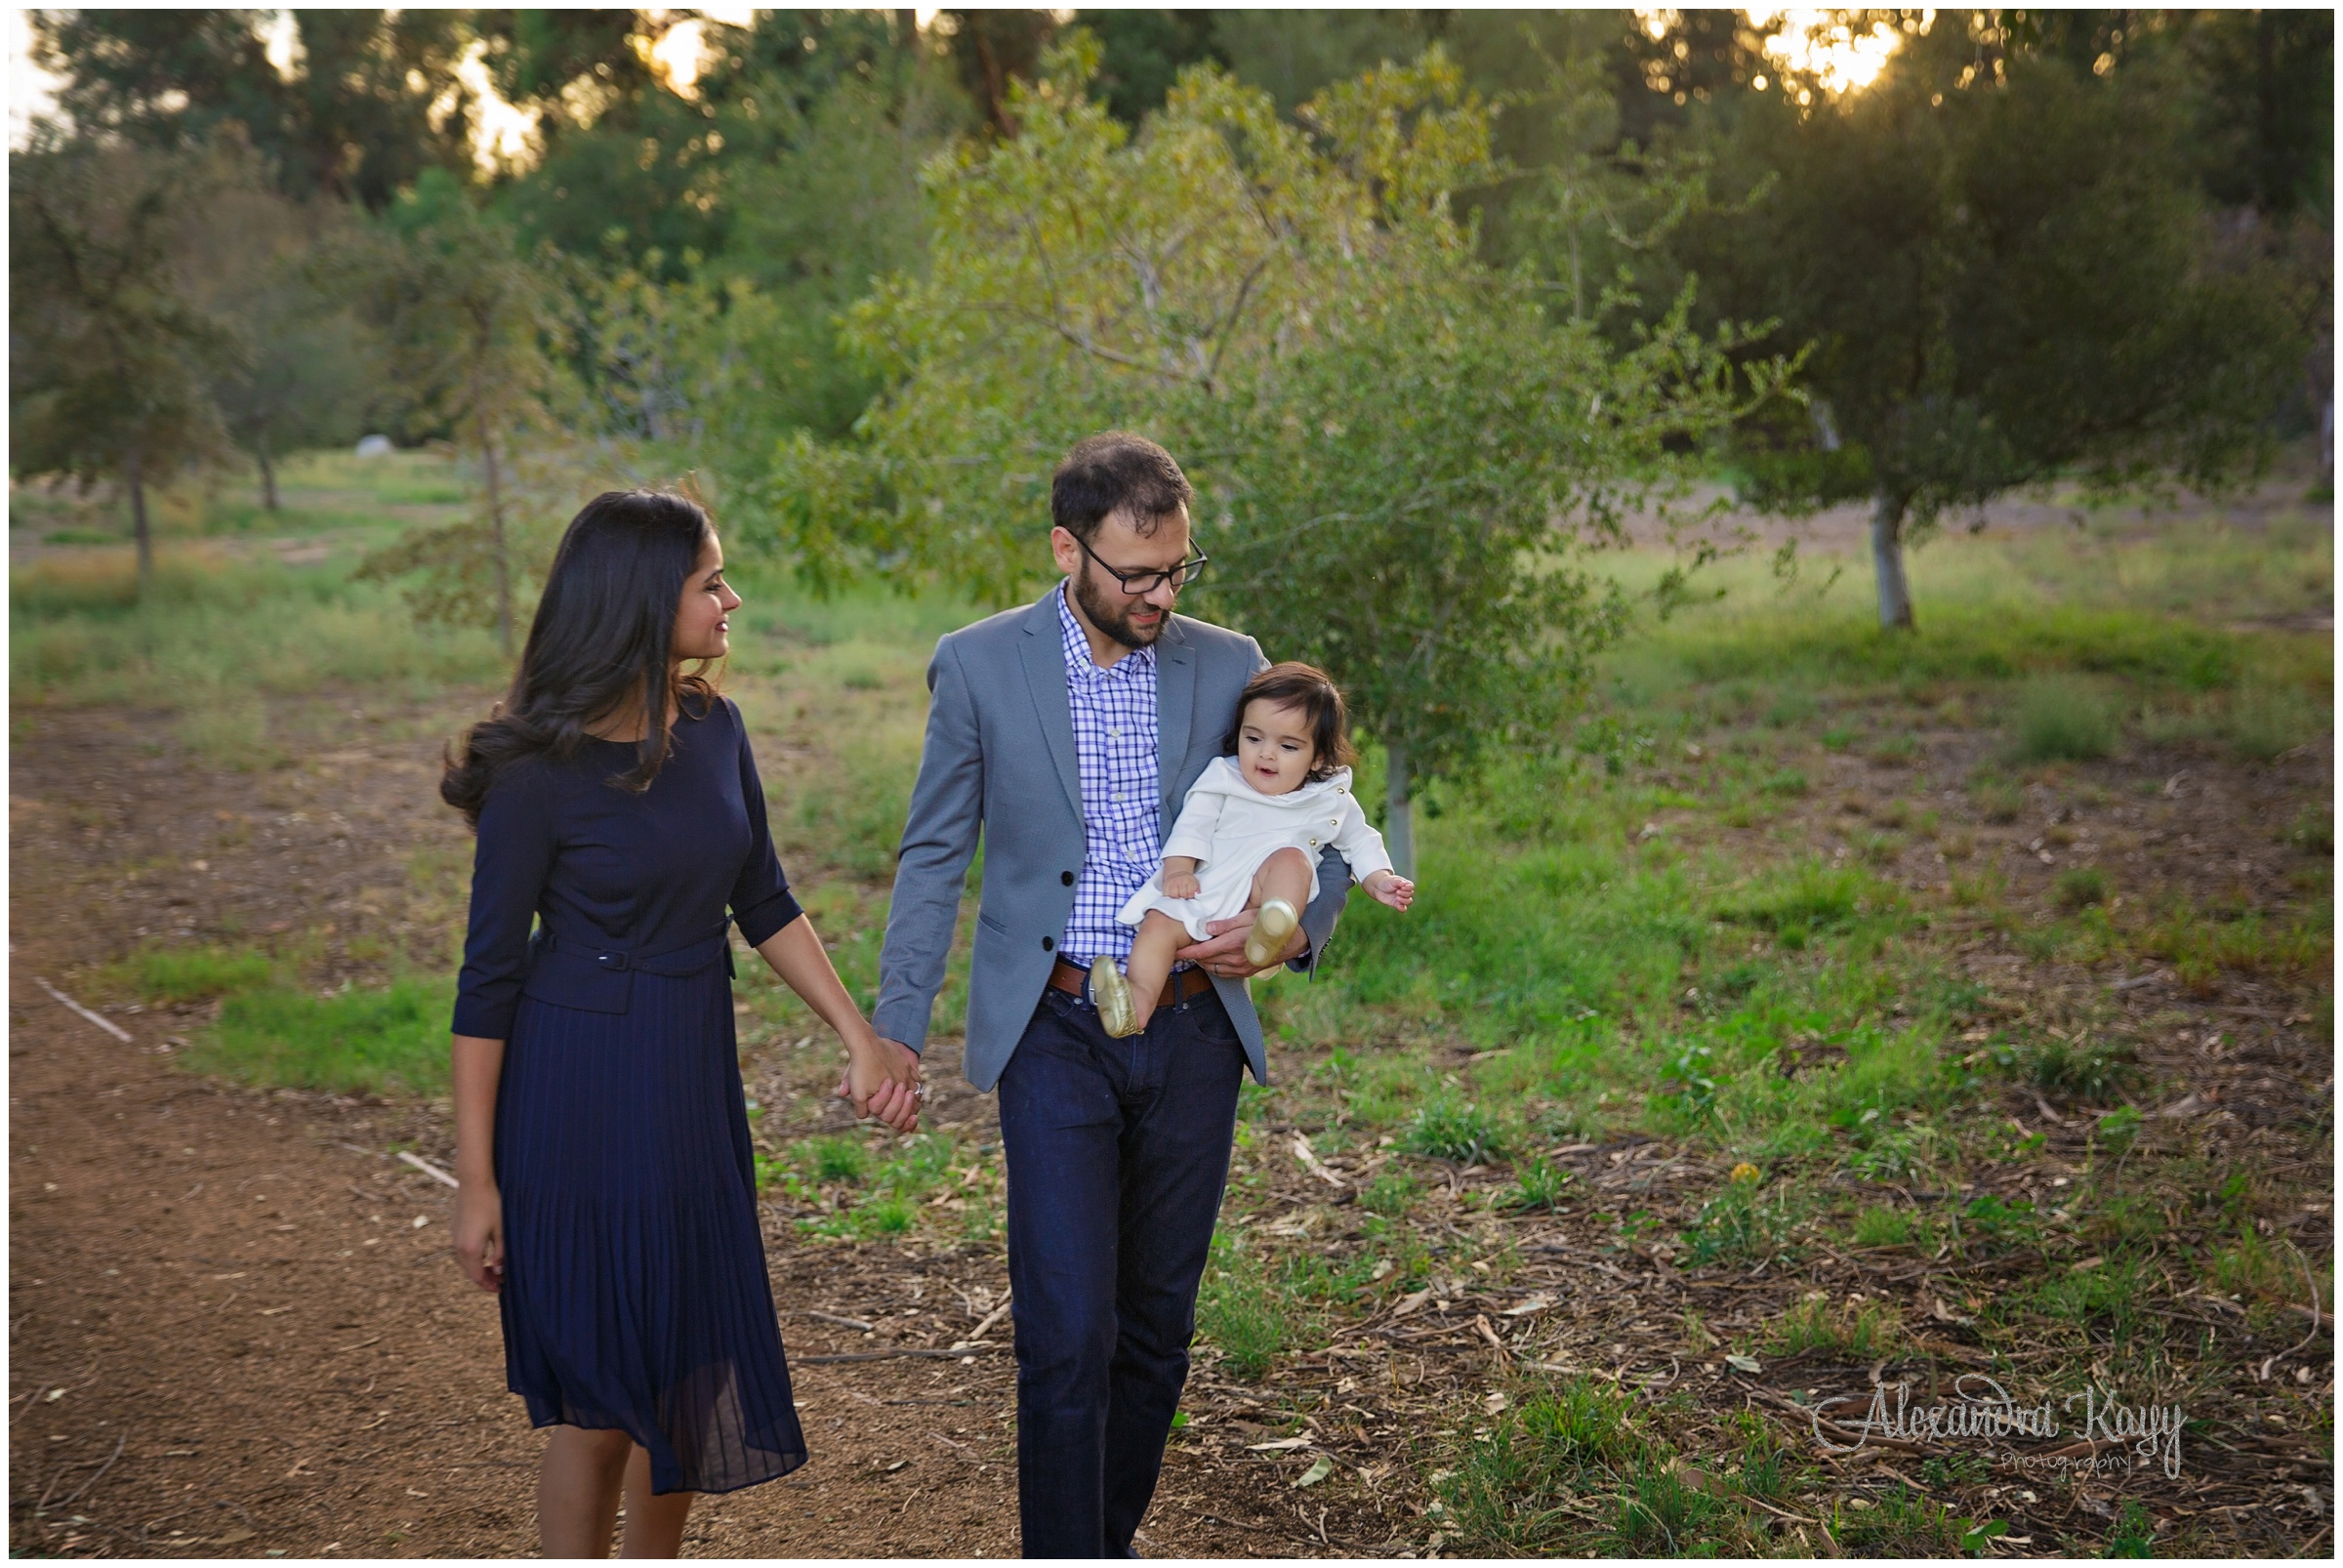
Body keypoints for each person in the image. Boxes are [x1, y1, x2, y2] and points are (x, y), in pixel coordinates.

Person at [873, 433, 1352, 1558]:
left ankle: (1102, 1538)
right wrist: (898, 1026)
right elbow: (935, 852)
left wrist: (1286, 943)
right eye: (1135, 572)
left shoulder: (1228, 658)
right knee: (1064, 1329)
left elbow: (1313, 820)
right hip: (1053, 1026)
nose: (1159, 594)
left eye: (1178, 568)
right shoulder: (980, 663)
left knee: (1154, 1331)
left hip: (1193, 1029)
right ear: (1065, 547)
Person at [442, 489, 923, 1557]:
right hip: (575, 1092)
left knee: (690, 1368)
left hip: (691, 1083)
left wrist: (859, 1035)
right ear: (640, 599)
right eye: (711, 581)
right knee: (601, 1401)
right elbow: (485, 984)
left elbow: (765, 898)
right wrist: (479, 1181)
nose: (731, 598)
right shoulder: (533, 773)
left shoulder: (713, 728)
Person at [1091, 662, 1415, 1039]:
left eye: (1288, 746)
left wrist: (1378, 879)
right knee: (1158, 925)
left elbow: (1359, 841)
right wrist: (1178, 870)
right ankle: (1136, 1004)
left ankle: (1271, 930)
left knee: (1291, 859)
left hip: (1264, 895)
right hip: (1208, 886)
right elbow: (1193, 825)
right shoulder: (1224, 777)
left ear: (1319, 758)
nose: (1266, 755)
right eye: (1253, 738)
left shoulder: (1329, 796)